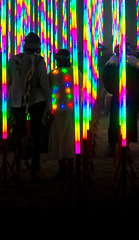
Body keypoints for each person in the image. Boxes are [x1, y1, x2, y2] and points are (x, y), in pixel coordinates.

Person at [9, 32, 50, 179]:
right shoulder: (39, 62)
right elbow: (44, 84)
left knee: (18, 132)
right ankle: (35, 165)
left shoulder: (14, 60)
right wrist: (49, 105)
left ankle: (18, 164)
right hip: (36, 100)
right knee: (36, 133)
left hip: (15, 100)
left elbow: (10, 81)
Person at [102, 44, 139, 156]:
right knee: (127, 121)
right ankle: (124, 146)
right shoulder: (135, 66)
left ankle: (114, 146)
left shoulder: (111, 65)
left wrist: (113, 91)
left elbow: (106, 80)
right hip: (130, 97)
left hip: (118, 97)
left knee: (116, 121)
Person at [47, 48, 76, 180]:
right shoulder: (76, 73)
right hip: (72, 111)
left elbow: (48, 92)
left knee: (59, 139)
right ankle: (71, 168)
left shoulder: (53, 74)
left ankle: (63, 169)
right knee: (69, 140)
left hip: (57, 111)